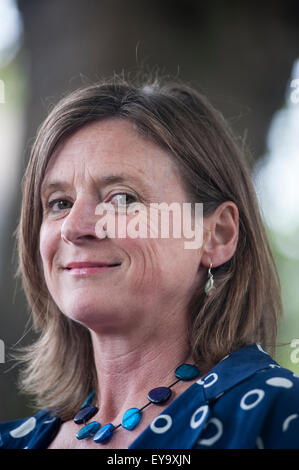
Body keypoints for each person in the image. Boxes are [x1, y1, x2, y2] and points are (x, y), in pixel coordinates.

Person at [1, 74, 299, 450]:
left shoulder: (276, 416)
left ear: (216, 235)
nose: (75, 228)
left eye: (122, 198)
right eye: (59, 203)